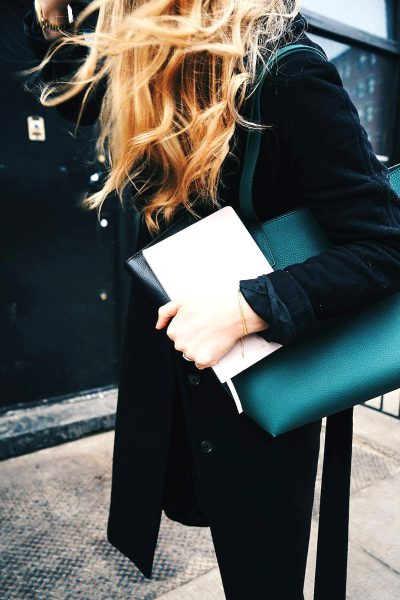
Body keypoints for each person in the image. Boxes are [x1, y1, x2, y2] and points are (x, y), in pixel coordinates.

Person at [23, 2, 400, 599]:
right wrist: (50, 17)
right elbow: (75, 97)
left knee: (261, 576)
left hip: (263, 373)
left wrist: (248, 307)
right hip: (174, 362)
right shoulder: (155, 68)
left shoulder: (286, 74)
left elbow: (386, 246)